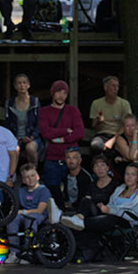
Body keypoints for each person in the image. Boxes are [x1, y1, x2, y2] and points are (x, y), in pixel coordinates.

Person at [61, 163, 138, 263]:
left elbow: (134, 215)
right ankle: (78, 218)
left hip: (126, 220)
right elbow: (111, 204)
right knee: (86, 201)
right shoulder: (120, 188)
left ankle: (78, 222)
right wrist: (104, 208)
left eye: (133, 175)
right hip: (108, 215)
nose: (129, 177)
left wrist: (110, 210)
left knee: (110, 219)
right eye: (127, 174)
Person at [38, 80, 85, 209]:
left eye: (64, 93)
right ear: (53, 93)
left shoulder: (73, 111)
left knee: (75, 193)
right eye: (58, 92)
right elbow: (46, 133)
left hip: (71, 157)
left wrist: (61, 139)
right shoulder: (44, 111)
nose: (61, 96)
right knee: (52, 192)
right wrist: (66, 131)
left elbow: (80, 132)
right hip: (52, 157)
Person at [5, 163, 51, 264]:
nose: (30, 179)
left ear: (37, 176)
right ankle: (14, 252)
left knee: (30, 219)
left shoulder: (43, 190)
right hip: (25, 214)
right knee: (13, 218)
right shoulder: (21, 191)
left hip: (39, 216)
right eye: (27, 177)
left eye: (32, 175)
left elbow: (40, 210)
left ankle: (28, 251)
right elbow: (15, 206)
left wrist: (23, 211)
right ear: (24, 180)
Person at [5, 74, 43, 167]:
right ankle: (11, 176)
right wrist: (13, 137)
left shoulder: (35, 102)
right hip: (16, 137)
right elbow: (7, 124)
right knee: (15, 149)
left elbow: (40, 123)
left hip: (32, 137)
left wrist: (32, 137)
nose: (22, 85)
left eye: (24, 83)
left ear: (28, 85)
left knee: (30, 148)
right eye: (19, 83)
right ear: (15, 86)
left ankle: (33, 173)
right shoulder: (9, 103)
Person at [89, 75, 132, 151]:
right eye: (113, 86)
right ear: (105, 88)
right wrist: (99, 122)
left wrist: (113, 140)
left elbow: (127, 125)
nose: (116, 88)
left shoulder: (124, 104)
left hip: (119, 135)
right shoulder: (96, 103)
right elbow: (94, 127)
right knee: (95, 145)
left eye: (117, 86)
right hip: (102, 134)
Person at [55, 147, 93, 215]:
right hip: (67, 208)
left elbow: (85, 199)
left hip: (80, 211)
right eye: (68, 158)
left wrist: (72, 205)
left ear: (79, 160)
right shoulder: (64, 175)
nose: (71, 161)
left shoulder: (85, 178)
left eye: (74, 158)